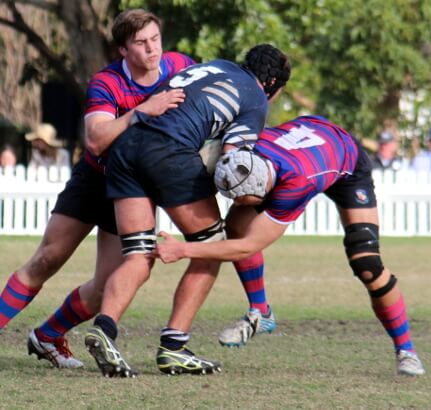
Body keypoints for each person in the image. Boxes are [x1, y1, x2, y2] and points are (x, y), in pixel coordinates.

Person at [155, 115, 426, 377]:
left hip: (346, 159)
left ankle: (407, 351)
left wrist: (184, 250)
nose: (236, 202)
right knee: (236, 224)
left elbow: (246, 247)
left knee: (366, 263)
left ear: (263, 188)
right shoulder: (246, 153)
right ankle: (261, 312)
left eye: (241, 198)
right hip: (304, 141)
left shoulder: (294, 183)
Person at [0, 8, 193, 369]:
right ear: (123, 49)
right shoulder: (107, 82)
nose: (152, 49)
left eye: (155, 39)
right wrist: (142, 111)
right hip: (95, 180)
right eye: (141, 43)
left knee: (109, 286)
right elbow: (95, 139)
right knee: (46, 259)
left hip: (136, 189)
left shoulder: (180, 66)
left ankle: (46, 337)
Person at [83, 44, 291, 378]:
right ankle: (174, 348)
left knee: (138, 255)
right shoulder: (254, 96)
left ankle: (104, 329)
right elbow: (235, 162)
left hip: (127, 148)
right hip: (170, 152)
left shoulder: (217, 66)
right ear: (272, 85)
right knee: (210, 248)